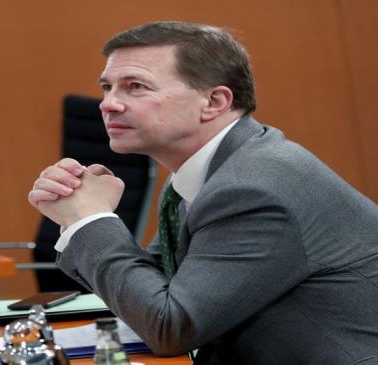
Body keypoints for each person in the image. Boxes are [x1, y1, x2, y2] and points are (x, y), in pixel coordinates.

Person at [28, 21, 378, 365]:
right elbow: (167, 284)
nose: (108, 104)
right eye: (108, 87)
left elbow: (170, 326)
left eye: (135, 87)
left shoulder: (252, 188)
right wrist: (79, 219)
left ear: (214, 101)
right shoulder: (214, 168)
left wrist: (90, 220)